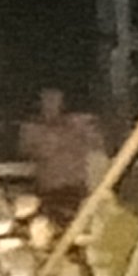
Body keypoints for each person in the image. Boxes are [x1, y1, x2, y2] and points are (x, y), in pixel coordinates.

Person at [19, 87, 106, 223]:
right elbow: (29, 151)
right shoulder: (32, 130)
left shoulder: (80, 126)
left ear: (63, 103)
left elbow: (98, 144)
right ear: (40, 104)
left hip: (76, 188)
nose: (51, 104)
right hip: (48, 190)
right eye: (47, 100)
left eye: (55, 100)